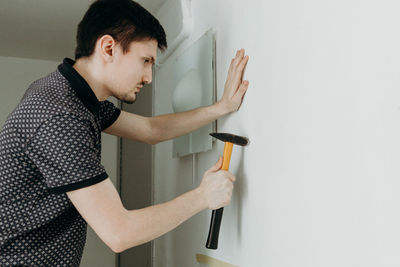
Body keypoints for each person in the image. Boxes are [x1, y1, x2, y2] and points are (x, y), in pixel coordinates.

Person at [0, 0, 249, 265]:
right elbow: (119, 232)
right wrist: (202, 196)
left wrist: (221, 107)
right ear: (108, 47)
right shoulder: (61, 116)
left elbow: (151, 130)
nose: (149, 77)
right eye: (145, 61)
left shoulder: (75, 97)